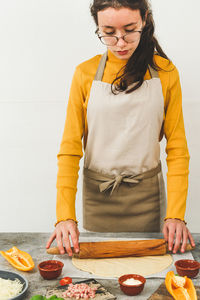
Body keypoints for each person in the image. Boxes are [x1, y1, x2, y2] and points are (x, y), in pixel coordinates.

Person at [46, 0, 195, 256]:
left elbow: (178, 148)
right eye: (109, 33)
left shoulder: (166, 72)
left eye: (129, 29)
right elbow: (70, 149)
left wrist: (176, 215)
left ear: (144, 20)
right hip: (99, 197)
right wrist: (64, 216)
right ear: (98, 27)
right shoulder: (85, 73)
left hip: (147, 198)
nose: (120, 42)